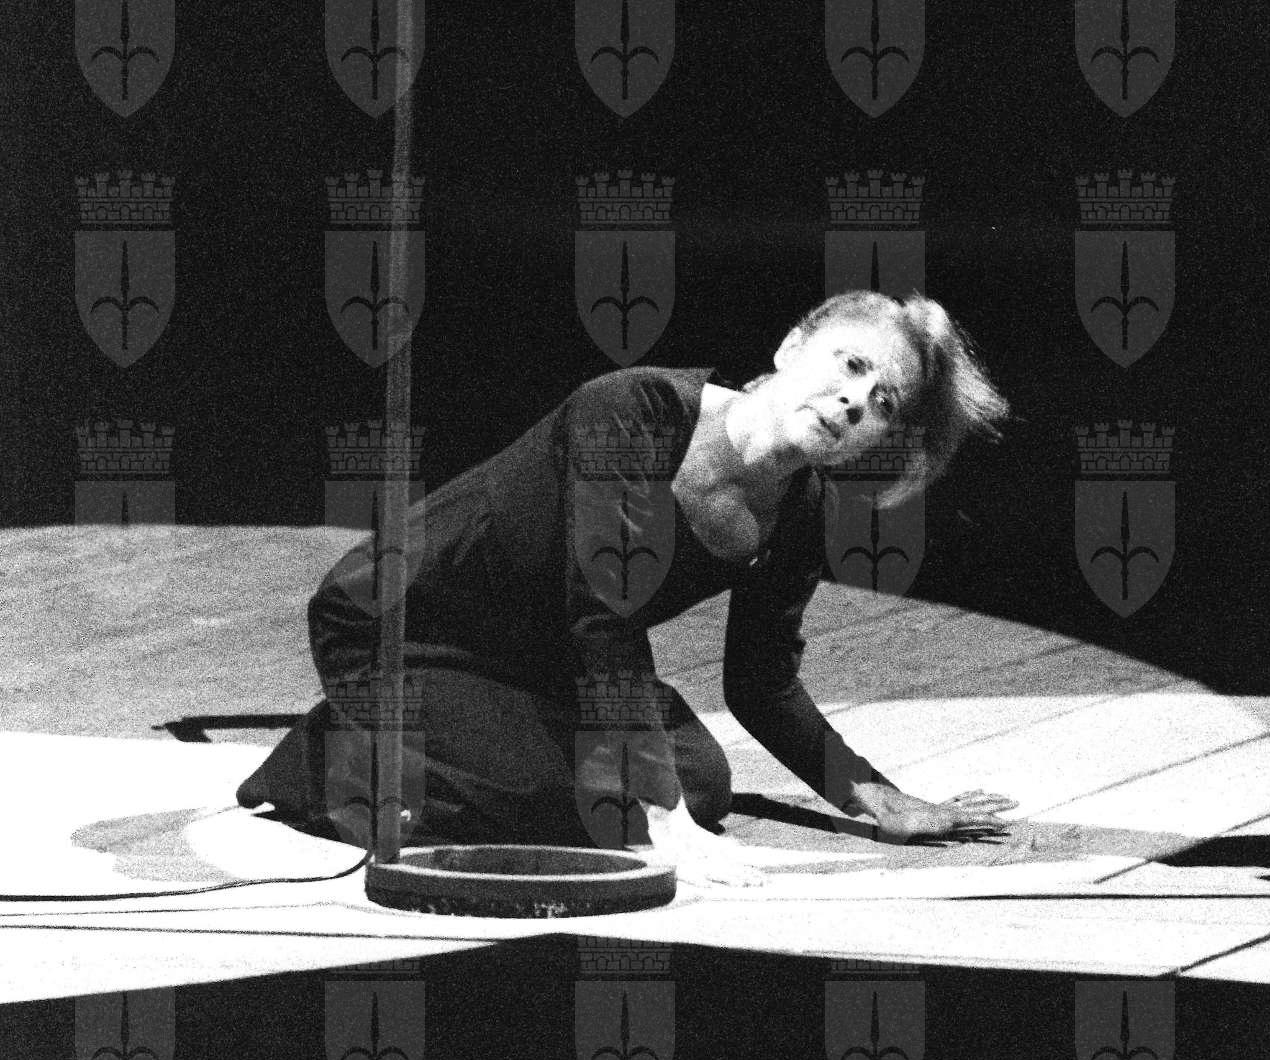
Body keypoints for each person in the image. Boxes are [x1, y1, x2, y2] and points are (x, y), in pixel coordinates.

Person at [236, 290, 1015, 886]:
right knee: (614, 801)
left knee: (702, 781)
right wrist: (661, 820)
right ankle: (321, 762)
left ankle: (442, 750)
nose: (854, 400)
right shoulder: (633, 409)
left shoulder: (800, 511)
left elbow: (761, 681)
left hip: (537, 656)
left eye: (883, 404)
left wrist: (868, 795)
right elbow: (601, 610)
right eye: (850, 365)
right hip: (396, 627)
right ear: (791, 347)